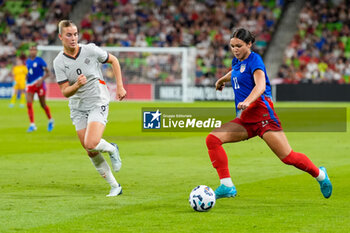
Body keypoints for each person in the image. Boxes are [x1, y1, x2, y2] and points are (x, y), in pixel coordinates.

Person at [206, 28, 332, 199]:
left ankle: (321, 175)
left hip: (264, 118)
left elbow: (260, 86)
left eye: (239, 46)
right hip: (245, 120)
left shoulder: (255, 60)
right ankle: (227, 185)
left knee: (288, 157)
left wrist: (248, 101)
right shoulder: (237, 61)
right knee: (213, 139)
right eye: (232, 46)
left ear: (249, 44)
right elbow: (235, 72)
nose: (235, 49)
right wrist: (221, 80)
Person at [53, 20, 127, 197]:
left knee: (91, 143)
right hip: (77, 107)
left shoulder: (90, 50)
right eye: (69, 35)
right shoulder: (58, 62)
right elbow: (65, 92)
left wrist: (120, 86)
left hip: (97, 100)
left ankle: (112, 149)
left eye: (76, 34)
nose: (73, 38)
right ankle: (115, 186)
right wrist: (77, 85)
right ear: (60, 37)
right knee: (90, 150)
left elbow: (114, 60)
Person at [26, 44, 54, 132]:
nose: (32, 51)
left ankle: (50, 120)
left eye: (34, 50)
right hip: (30, 85)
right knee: (29, 104)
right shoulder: (27, 61)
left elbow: (48, 73)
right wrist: (27, 77)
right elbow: (29, 73)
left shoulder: (40, 61)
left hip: (40, 85)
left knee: (43, 104)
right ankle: (32, 124)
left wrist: (41, 80)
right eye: (31, 50)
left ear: (36, 51)